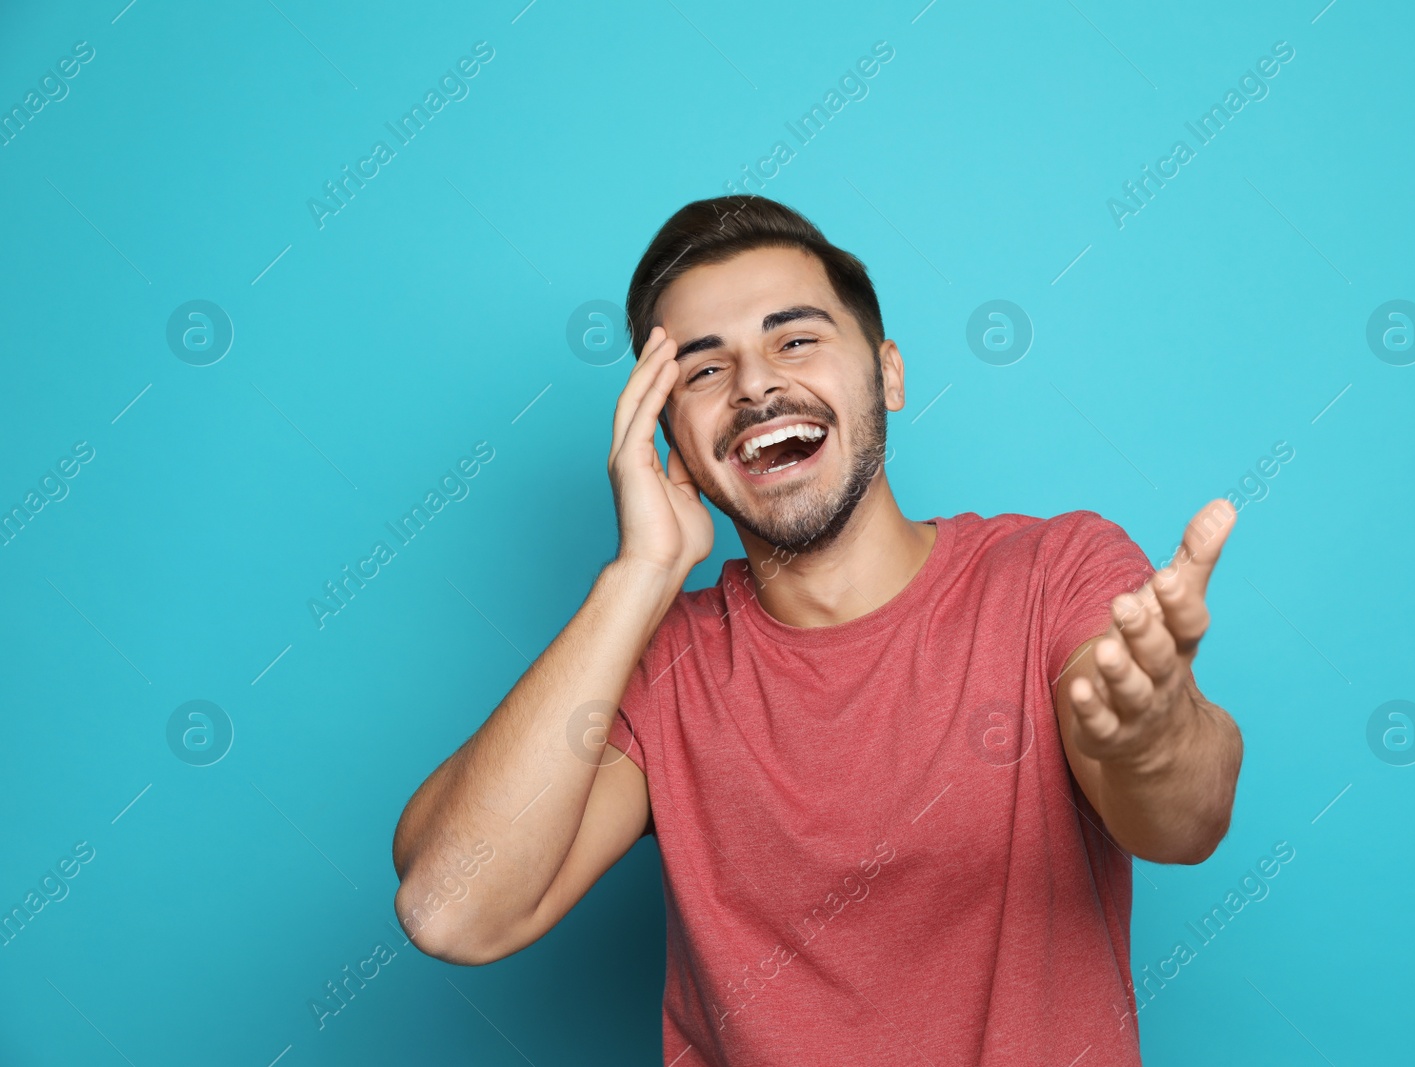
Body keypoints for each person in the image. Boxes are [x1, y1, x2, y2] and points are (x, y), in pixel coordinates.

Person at [391, 195, 1244, 1065]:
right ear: (670, 441)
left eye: (794, 339)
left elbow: (1186, 823)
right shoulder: (661, 668)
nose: (757, 385)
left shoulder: (1050, 574)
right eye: (703, 370)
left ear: (890, 374)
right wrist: (639, 573)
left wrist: (1149, 738)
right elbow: (450, 909)